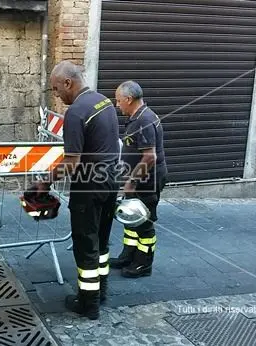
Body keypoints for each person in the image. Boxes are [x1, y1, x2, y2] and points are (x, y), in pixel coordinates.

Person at [35, 60, 120, 320]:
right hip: (110, 182)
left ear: (68, 83)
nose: (57, 95)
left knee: (85, 245)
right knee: (102, 241)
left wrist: (45, 181)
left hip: (88, 188)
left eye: (56, 89)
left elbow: (72, 162)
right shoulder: (103, 101)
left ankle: (88, 303)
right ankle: (100, 292)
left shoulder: (76, 112)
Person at [109, 80, 168, 278]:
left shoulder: (143, 120)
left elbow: (150, 157)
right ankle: (128, 255)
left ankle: (143, 264)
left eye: (118, 101)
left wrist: (132, 181)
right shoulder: (140, 116)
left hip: (146, 181)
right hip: (138, 179)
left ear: (128, 99)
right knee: (132, 219)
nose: (117, 105)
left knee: (144, 222)